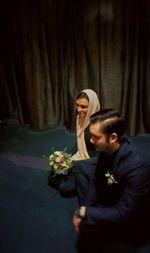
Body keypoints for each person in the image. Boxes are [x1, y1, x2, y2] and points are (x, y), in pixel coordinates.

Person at [72, 108, 150, 252]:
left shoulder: (138, 167)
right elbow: (95, 179)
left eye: (95, 136)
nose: (90, 140)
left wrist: (85, 212)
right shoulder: (107, 148)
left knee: (89, 225)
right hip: (112, 189)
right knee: (81, 169)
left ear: (113, 137)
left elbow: (124, 213)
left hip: (130, 213)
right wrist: (85, 209)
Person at [58, 89, 100, 196]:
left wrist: (75, 164)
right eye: (77, 105)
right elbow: (79, 143)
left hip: (93, 162)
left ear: (92, 106)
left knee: (64, 188)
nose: (78, 109)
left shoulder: (99, 126)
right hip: (81, 157)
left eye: (83, 106)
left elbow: (102, 156)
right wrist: (67, 157)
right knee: (54, 174)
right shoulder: (81, 117)